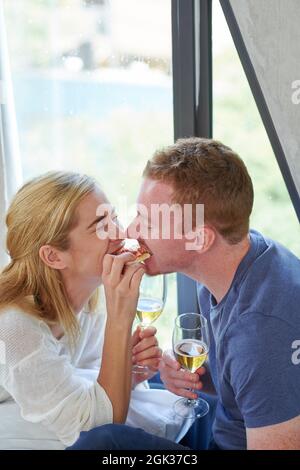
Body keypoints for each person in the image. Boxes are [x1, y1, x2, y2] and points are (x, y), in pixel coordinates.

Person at [92, 137, 300, 450]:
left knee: (105, 444)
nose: (131, 232)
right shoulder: (240, 256)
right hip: (225, 428)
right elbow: (244, 384)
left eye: (148, 222)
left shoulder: (261, 333)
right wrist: (201, 381)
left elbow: (259, 365)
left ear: (200, 240)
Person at [0, 171, 187, 450]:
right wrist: (120, 318)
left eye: (113, 217)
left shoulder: (92, 294)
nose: (121, 233)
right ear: (53, 256)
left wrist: (130, 370)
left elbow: (90, 377)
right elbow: (100, 434)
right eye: (101, 225)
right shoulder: (13, 327)